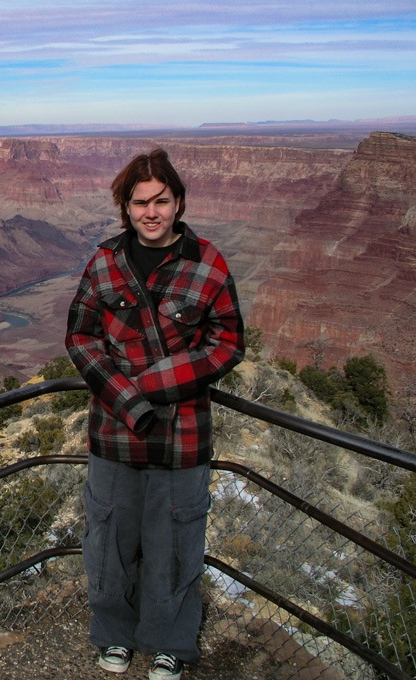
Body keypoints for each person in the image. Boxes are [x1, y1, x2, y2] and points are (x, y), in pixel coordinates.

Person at [65, 149, 244, 679]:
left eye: (160, 200)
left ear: (178, 202)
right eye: (139, 202)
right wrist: (127, 398)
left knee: (175, 543)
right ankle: (114, 635)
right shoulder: (103, 264)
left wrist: (149, 386)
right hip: (114, 432)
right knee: (110, 539)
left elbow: (228, 343)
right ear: (126, 208)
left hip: (183, 435)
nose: (151, 211)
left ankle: (171, 642)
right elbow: (80, 336)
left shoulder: (208, 262)